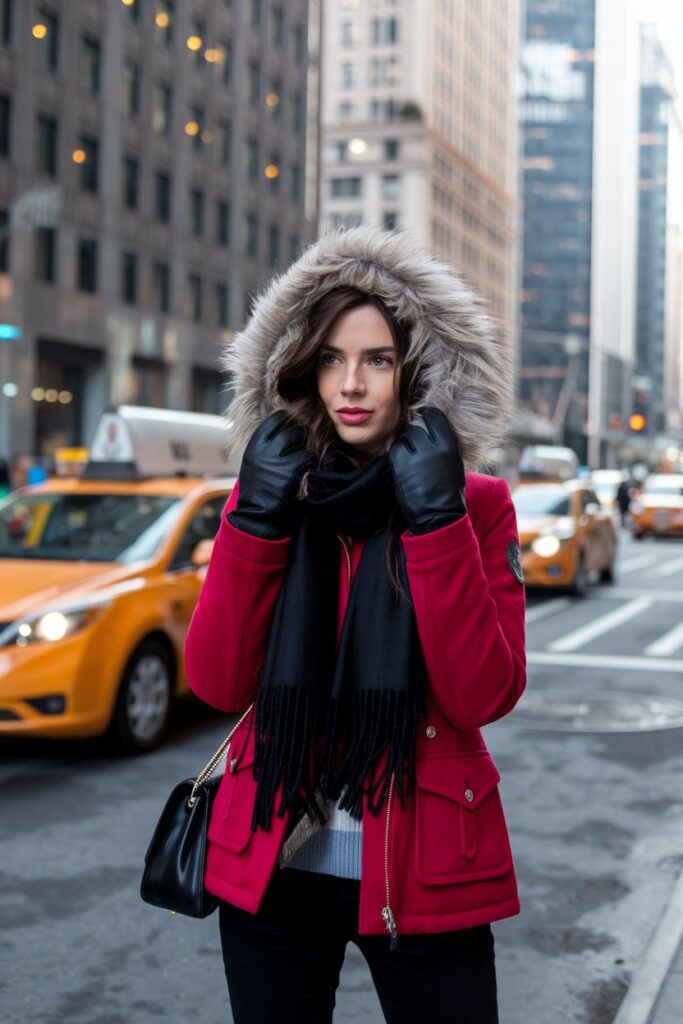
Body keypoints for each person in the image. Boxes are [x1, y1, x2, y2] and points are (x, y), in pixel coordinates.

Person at [185, 227, 526, 1024]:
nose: (352, 383)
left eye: (377, 359)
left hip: (426, 863)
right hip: (272, 856)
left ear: (416, 372)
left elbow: (481, 693)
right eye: (332, 358)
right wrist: (258, 524)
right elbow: (217, 680)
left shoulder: (474, 504)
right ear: (301, 367)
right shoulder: (269, 493)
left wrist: (434, 518)